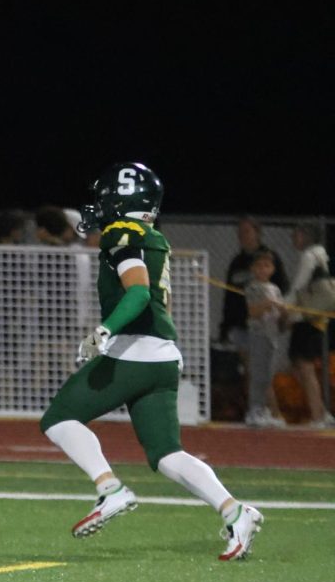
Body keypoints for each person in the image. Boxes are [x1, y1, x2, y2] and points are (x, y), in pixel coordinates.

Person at [40, 162, 264, 561]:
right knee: (165, 453)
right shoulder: (154, 236)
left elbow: (140, 294)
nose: (100, 204)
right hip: (162, 355)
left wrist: (102, 332)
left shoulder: (120, 232)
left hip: (135, 350)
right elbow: (162, 302)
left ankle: (109, 487)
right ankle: (235, 512)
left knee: (59, 418)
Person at [283, 222, 335, 428]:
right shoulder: (323, 256)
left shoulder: (309, 256)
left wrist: (285, 306)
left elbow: (299, 285)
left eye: (296, 235)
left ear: (305, 236)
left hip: (306, 318)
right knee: (300, 364)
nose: (293, 239)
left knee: (304, 366)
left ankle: (317, 414)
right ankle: (320, 411)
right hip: (315, 319)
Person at [219, 216, 290, 353]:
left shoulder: (270, 258)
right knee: (248, 363)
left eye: (246, 231)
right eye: (239, 233)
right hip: (241, 323)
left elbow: (282, 288)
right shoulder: (237, 262)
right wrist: (225, 326)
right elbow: (229, 297)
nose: (242, 236)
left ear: (257, 233)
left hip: (264, 324)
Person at [242, 250, 288, 428]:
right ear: (253, 268)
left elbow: (281, 317)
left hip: (272, 336)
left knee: (268, 375)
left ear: (273, 269)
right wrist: (266, 305)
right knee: (258, 373)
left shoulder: (275, 289)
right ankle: (254, 410)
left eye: (267, 266)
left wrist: (283, 312)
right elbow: (252, 312)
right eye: (259, 266)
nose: (263, 269)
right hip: (258, 334)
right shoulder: (253, 287)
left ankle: (264, 409)